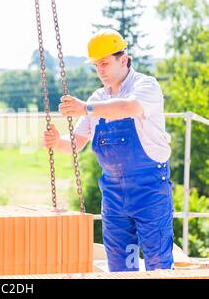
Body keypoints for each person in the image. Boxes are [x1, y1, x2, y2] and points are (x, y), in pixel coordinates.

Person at [43, 29, 174, 272]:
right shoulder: (98, 98)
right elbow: (77, 142)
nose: (100, 70)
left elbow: (129, 107)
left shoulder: (145, 86)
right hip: (113, 195)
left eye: (105, 63)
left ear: (123, 60)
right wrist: (55, 141)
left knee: (158, 263)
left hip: (149, 189)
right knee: (121, 265)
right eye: (96, 65)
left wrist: (85, 108)